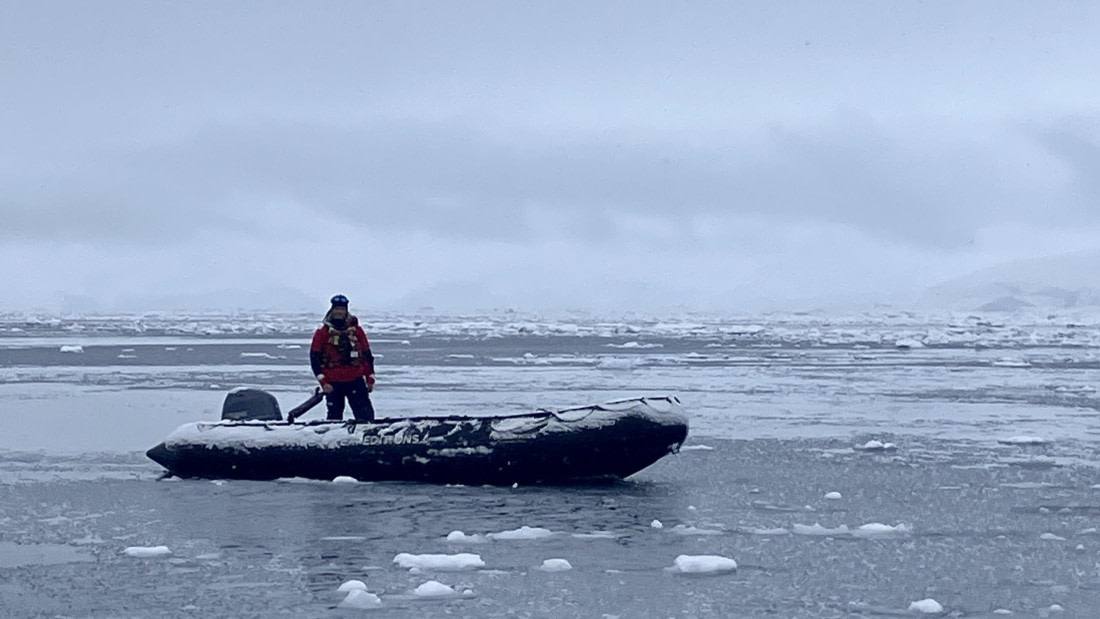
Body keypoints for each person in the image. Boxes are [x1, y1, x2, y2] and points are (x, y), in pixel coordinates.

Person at [309, 294, 376, 421]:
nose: (339, 312)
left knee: (366, 416)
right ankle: (333, 438)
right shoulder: (322, 332)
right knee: (334, 417)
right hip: (333, 382)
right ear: (332, 310)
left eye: (342, 309)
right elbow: (315, 358)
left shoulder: (357, 331)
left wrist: (370, 378)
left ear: (346, 311)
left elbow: (367, 355)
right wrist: (323, 382)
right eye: (336, 309)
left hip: (355, 380)